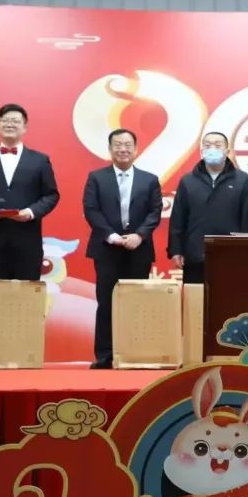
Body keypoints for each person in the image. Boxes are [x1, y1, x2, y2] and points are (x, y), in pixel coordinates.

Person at [82, 129, 163, 369]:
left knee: (136, 303)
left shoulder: (149, 179)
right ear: (110, 149)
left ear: (136, 149)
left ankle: (134, 353)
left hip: (138, 249)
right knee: (106, 302)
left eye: (127, 144)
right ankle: (104, 355)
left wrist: (140, 235)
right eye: (117, 144)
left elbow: (155, 212)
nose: (123, 149)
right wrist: (111, 235)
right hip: (107, 249)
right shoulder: (97, 178)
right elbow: (91, 210)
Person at [0, 103, 59, 280]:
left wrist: (31, 212)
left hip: (27, 242)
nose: (9, 124)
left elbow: (51, 195)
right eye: (5, 120)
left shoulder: (40, 160)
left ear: (24, 127)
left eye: (15, 121)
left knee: (27, 292)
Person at [168, 131, 248, 284]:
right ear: (201, 151)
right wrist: (176, 250)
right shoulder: (188, 181)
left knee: (229, 296)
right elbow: (178, 218)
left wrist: (246, 249)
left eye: (217, 145)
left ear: (227, 151)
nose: (212, 149)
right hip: (195, 253)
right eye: (208, 145)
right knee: (195, 297)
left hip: (231, 255)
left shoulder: (243, 180)